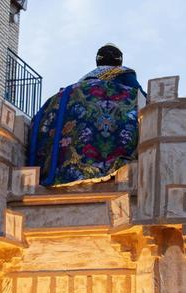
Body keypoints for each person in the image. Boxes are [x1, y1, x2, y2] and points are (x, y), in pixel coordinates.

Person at [34, 44, 146, 187]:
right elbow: (141, 95)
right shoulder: (124, 75)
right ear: (120, 61)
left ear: (98, 60)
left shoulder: (83, 82)